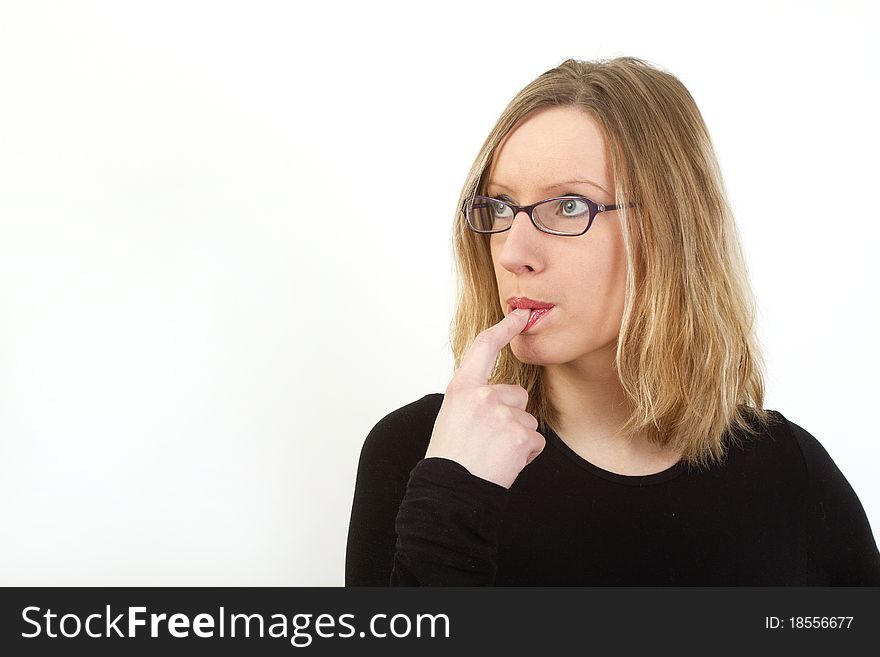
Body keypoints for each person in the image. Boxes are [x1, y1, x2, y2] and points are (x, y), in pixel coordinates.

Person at [344, 56, 880, 586]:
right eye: (502, 207)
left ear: (671, 231)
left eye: (570, 205)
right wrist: (454, 499)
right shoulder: (422, 453)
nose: (513, 253)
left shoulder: (788, 471)